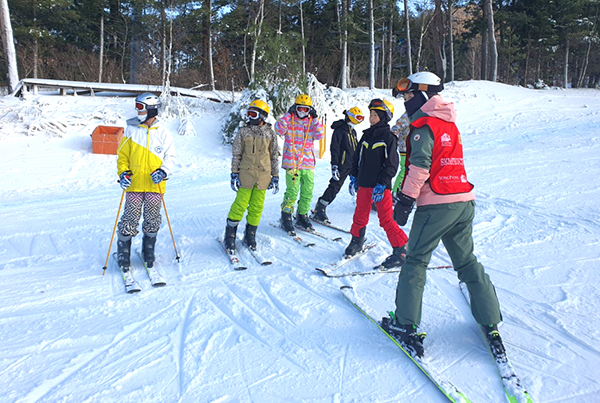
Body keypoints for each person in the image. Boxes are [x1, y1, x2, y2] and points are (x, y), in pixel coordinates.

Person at [381, 72, 504, 359]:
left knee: (415, 261)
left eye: (409, 96)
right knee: (466, 261)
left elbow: (420, 167)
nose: (406, 102)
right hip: (462, 202)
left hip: (437, 204)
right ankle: (490, 318)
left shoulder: (423, 126)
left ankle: (405, 323)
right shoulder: (450, 123)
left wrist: (405, 199)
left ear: (424, 95)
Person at [344, 99, 409, 269]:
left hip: (380, 186)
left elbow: (392, 164)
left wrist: (382, 183)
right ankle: (357, 241)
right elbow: (357, 157)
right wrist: (353, 175)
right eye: (370, 115)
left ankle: (402, 248)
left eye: (375, 115)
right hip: (364, 183)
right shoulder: (366, 135)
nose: (371, 118)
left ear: (384, 116)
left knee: (386, 219)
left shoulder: (389, 138)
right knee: (360, 214)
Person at [116, 92, 176, 269]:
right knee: (130, 216)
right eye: (137, 106)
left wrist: (163, 171)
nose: (137, 110)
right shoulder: (131, 130)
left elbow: (170, 157)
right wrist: (123, 173)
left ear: (151, 110)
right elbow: (122, 156)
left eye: (140, 107)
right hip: (134, 185)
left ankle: (148, 248)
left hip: (154, 185)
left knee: (152, 217)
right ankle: (123, 250)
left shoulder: (163, 133)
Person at [224, 100, 279, 253]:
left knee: (257, 207)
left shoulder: (270, 134)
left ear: (262, 116)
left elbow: (274, 155)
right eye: (248, 113)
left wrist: (275, 175)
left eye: (253, 114)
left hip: (263, 175)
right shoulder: (243, 132)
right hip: (246, 174)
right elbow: (236, 153)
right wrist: (234, 173)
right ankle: (230, 235)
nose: (249, 117)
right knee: (240, 205)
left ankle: (250, 235)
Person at [274, 94, 325, 235]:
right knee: (292, 191)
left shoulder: (311, 122)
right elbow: (278, 129)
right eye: (299, 108)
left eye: (306, 109)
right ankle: (286, 216)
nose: (302, 112)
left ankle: (302, 215)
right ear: (295, 108)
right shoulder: (289, 120)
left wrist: (315, 118)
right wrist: (287, 114)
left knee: (307, 191)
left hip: (308, 163)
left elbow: (320, 135)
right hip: (292, 162)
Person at [312, 107, 364, 223]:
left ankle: (366, 205)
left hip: (353, 164)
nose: (359, 121)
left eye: (361, 119)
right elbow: (334, 149)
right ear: (351, 117)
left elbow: (355, 148)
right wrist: (334, 165)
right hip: (343, 164)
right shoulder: (340, 131)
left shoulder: (353, 131)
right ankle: (320, 207)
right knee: (335, 186)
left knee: (362, 183)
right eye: (358, 118)